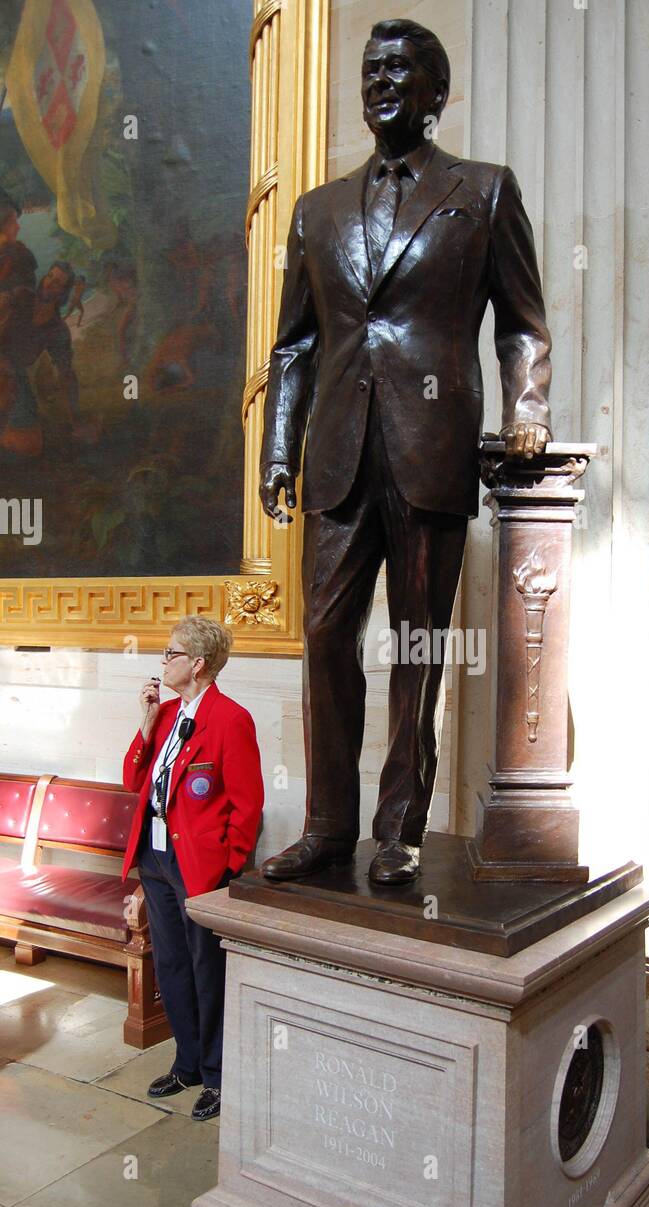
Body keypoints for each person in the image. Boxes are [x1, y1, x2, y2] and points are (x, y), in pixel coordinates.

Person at [259, 18, 552, 887]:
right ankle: (324, 825)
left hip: (432, 447)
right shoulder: (315, 212)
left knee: (418, 643)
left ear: (436, 92)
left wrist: (526, 406)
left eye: (401, 70)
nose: (383, 82)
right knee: (325, 635)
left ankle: (399, 829)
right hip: (338, 453)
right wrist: (281, 447)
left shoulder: (484, 191)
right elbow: (294, 348)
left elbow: (524, 323)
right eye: (371, 69)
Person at [121, 617, 264, 1120]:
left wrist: (227, 869)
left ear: (197, 664)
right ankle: (187, 1064)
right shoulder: (165, 715)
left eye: (171, 653)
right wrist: (144, 722)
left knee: (209, 969)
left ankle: (220, 1074)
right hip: (155, 857)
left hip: (200, 867)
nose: (163, 661)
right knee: (173, 964)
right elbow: (131, 778)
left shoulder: (230, 719)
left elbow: (247, 805)